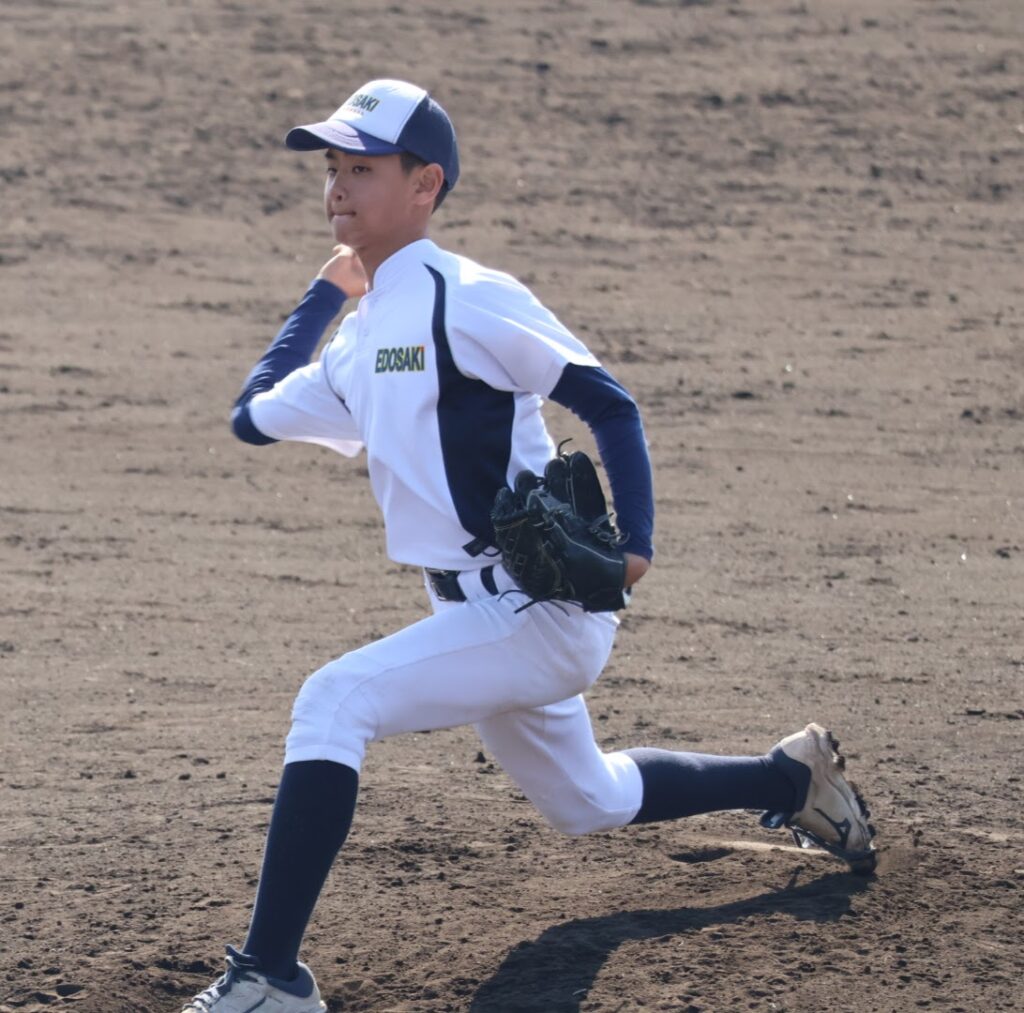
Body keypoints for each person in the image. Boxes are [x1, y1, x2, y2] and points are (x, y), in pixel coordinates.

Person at [181, 79, 875, 1013]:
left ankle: (269, 980)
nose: (338, 185)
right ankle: (790, 775)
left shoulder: (467, 298)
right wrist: (323, 293)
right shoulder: (358, 340)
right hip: (472, 615)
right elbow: (251, 416)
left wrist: (637, 546)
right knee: (587, 799)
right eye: (333, 167)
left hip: (538, 606)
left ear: (426, 184)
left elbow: (607, 403)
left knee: (333, 702)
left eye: (364, 168)